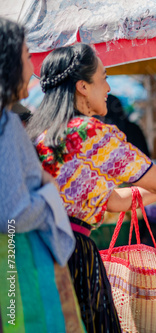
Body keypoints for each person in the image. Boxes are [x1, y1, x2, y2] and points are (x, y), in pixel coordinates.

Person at [26, 43, 156, 332]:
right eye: (103, 77)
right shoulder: (87, 132)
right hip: (72, 253)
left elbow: (117, 200)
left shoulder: (44, 136)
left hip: (36, 251)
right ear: (82, 87)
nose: (108, 86)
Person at [0, 17, 84, 332]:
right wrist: (49, 194)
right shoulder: (6, 124)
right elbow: (13, 215)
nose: (31, 65)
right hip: (19, 263)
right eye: (25, 56)